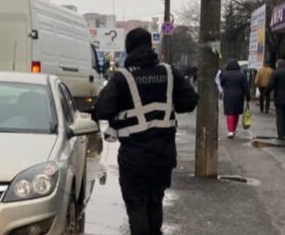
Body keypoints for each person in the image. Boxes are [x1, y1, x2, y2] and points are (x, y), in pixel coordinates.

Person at [94, 28, 199, 235]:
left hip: (134, 157)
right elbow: (190, 101)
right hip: (163, 155)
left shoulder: (122, 78)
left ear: (129, 48)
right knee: (155, 200)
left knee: (137, 205)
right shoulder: (169, 73)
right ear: (150, 45)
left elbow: (103, 109)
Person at [220, 60, 251, 138]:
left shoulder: (225, 74)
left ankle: (230, 131)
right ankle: (233, 129)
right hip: (239, 96)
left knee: (229, 113)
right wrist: (248, 96)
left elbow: (221, 83)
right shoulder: (241, 75)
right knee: (236, 113)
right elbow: (245, 87)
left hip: (228, 95)